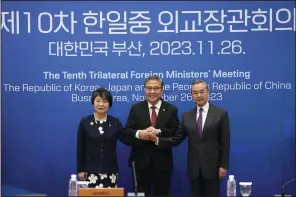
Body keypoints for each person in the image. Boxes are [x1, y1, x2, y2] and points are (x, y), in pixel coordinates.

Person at [153, 79, 230, 197]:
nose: (199, 95)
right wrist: (157, 139)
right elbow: (176, 139)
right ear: (191, 95)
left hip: (213, 168)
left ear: (208, 92)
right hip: (194, 169)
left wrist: (223, 166)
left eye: (202, 92)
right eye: (195, 92)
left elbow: (225, 143)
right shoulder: (187, 116)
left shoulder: (220, 114)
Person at [125, 75, 179, 196]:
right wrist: (140, 134)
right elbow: (128, 130)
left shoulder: (171, 109)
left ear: (162, 90)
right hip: (140, 162)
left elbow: (175, 131)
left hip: (162, 163)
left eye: (156, 88)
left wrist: (158, 132)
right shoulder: (136, 108)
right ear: (144, 89)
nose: (152, 91)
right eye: (149, 88)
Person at [77, 87, 135, 188]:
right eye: (98, 101)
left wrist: (141, 134)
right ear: (93, 103)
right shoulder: (85, 122)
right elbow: (80, 147)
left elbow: (127, 138)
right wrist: (81, 169)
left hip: (110, 171)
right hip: (90, 172)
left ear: (109, 104)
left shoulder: (115, 122)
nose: (101, 104)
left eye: (104, 101)